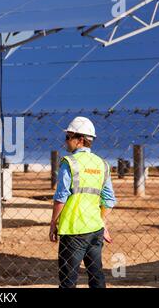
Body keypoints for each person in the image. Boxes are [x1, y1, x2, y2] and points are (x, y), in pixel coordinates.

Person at [49, 116, 117, 288]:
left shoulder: (69, 163)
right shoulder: (102, 164)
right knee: (96, 276)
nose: (66, 141)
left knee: (68, 280)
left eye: (68, 137)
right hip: (95, 230)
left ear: (80, 140)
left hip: (73, 230)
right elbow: (109, 200)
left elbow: (61, 197)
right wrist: (102, 222)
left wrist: (53, 223)